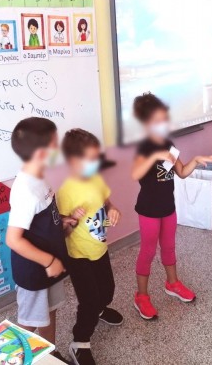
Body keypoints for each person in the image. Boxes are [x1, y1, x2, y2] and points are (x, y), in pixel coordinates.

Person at [130, 93, 212, 320]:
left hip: (168, 208)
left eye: (164, 119)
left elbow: (181, 172)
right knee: (148, 252)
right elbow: (135, 174)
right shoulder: (143, 148)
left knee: (169, 247)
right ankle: (141, 296)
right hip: (148, 211)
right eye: (158, 121)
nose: (163, 124)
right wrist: (154, 157)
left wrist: (195, 160)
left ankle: (172, 283)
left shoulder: (168, 145)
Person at [5, 117, 72, 363]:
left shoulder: (40, 177)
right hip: (35, 271)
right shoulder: (25, 190)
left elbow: (41, 218)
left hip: (49, 267)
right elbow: (13, 239)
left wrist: (61, 221)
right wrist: (48, 261)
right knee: (28, 324)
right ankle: (11, 358)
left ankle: (50, 353)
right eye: (56, 143)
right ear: (42, 153)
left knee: (49, 311)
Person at [57, 129, 123, 365]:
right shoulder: (65, 191)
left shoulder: (96, 179)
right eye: (91, 159)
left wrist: (113, 209)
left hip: (99, 249)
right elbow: (61, 231)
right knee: (89, 299)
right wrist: (71, 221)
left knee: (107, 290)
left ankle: (99, 310)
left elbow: (106, 201)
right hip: (78, 255)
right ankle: (79, 342)